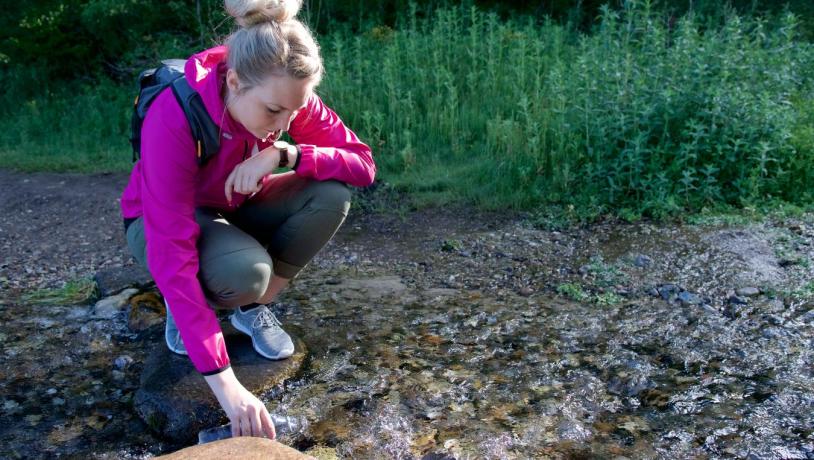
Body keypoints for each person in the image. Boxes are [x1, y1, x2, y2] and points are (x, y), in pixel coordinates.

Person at [119, 0, 375, 440]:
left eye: (295, 111)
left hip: (234, 205)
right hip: (162, 221)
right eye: (275, 112)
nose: (286, 120)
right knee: (243, 274)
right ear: (234, 82)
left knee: (329, 193)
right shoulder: (175, 114)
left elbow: (362, 165)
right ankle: (194, 311)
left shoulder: (283, 92)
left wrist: (286, 152)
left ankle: (249, 310)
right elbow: (171, 244)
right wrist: (226, 384)